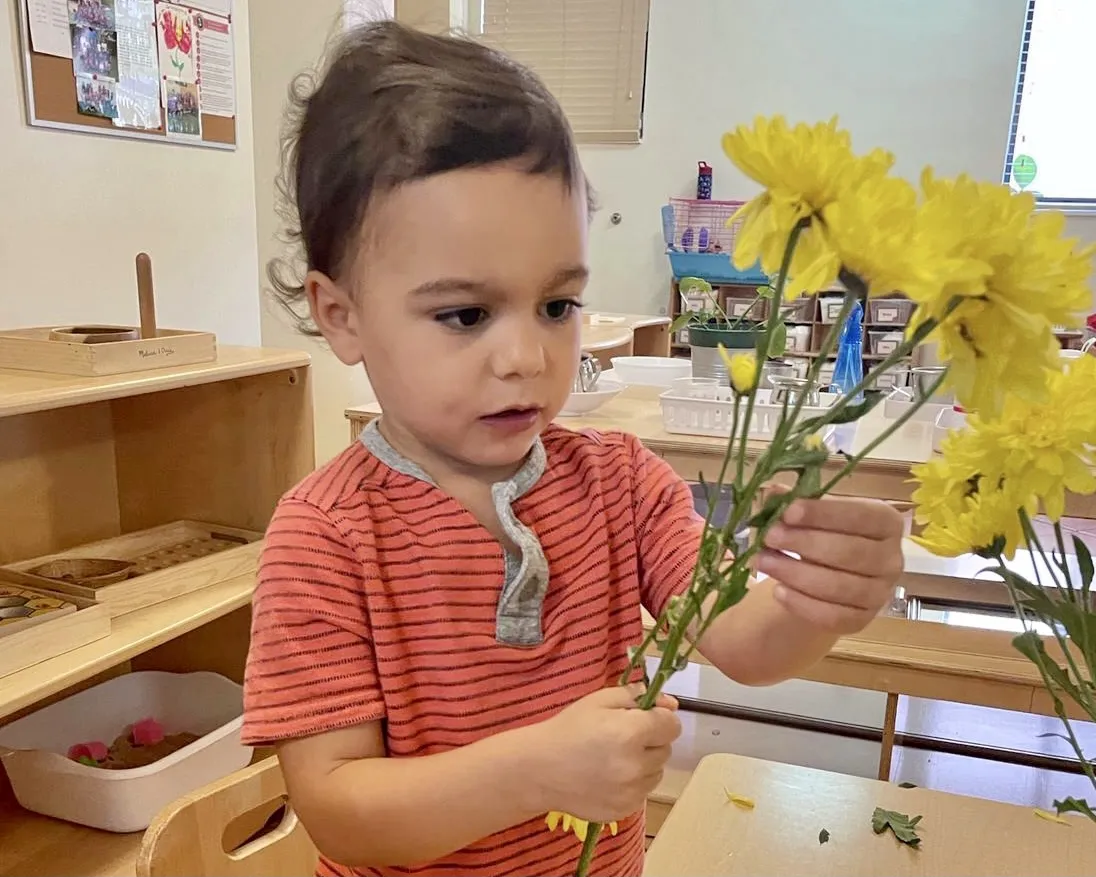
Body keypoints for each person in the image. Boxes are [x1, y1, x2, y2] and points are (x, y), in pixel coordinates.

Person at [242, 20, 905, 877]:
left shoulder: (620, 483)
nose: (526, 356)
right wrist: (533, 770)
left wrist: (821, 601)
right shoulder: (324, 535)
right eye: (465, 314)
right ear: (342, 316)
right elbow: (338, 810)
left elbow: (742, 639)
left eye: (557, 305)